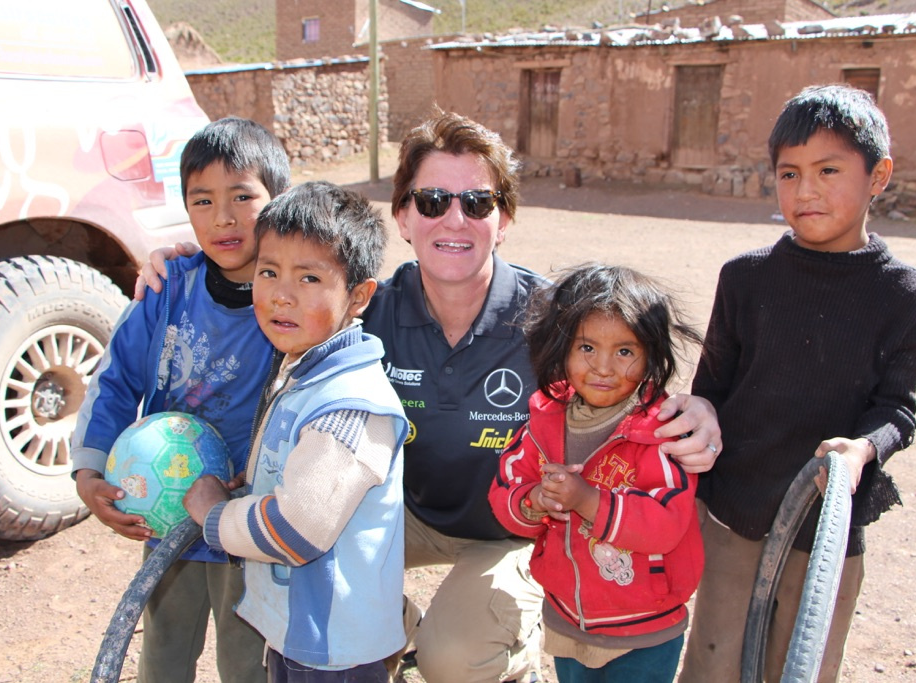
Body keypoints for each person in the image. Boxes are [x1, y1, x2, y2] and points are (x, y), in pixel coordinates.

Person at [139, 110, 723, 683]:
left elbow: (623, 372)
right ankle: (396, 631)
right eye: (432, 200)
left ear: (505, 218)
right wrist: (195, 264)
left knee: (454, 659)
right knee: (311, 581)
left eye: (478, 203)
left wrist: (693, 407)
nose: (455, 219)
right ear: (402, 216)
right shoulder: (368, 309)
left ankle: (500, 651)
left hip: (513, 527)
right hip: (403, 515)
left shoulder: (552, 317)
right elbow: (289, 273)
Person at [678, 84, 916, 683]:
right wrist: (698, 416)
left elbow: (897, 410)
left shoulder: (905, 295)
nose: (806, 191)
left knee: (800, 668)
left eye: (828, 170)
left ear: (878, 177)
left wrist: (861, 451)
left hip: (826, 531)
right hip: (734, 515)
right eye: (789, 174)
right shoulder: (745, 279)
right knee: (714, 662)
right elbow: (711, 388)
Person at [71, 116, 290, 683]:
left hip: (250, 517)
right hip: (166, 504)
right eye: (203, 201)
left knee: (246, 661)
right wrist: (89, 472)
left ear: (278, 201)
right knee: (164, 652)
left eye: (243, 197)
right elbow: (116, 380)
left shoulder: (293, 299)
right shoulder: (166, 289)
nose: (223, 218)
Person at [182, 181, 408, 682]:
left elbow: (296, 529)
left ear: (358, 296)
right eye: (268, 272)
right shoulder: (304, 370)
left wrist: (214, 515)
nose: (281, 295)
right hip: (301, 630)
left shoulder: (349, 406)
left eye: (309, 278)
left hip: (333, 647)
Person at [488, 263, 705, 683]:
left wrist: (588, 500)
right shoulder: (542, 422)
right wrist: (535, 501)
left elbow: (667, 523)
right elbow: (505, 491)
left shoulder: (661, 433)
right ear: (562, 347)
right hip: (566, 618)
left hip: (645, 628)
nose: (603, 367)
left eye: (624, 351)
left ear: (651, 355)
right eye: (587, 347)